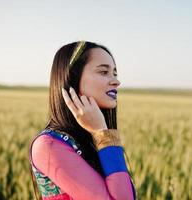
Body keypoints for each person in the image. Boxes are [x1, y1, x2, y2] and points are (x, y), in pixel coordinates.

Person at [29, 41, 136, 200]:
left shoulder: (91, 138)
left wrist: (101, 134)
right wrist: (103, 133)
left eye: (115, 73)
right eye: (103, 72)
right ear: (72, 78)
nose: (116, 81)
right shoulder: (49, 145)